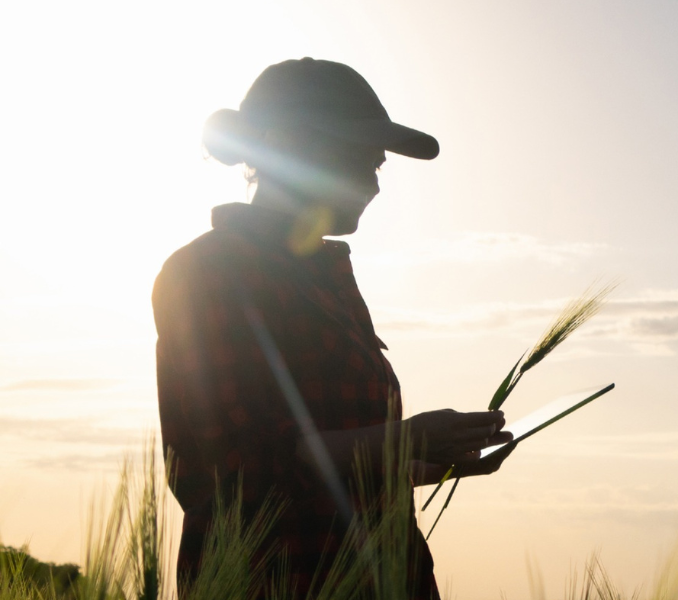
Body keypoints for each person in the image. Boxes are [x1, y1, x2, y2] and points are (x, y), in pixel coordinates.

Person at [153, 57, 515, 599]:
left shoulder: (327, 276)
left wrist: (430, 460)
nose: (374, 184)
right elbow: (250, 464)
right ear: (284, 148)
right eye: (358, 158)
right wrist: (406, 439)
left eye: (378, 165)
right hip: (278, 581)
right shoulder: (207, 273)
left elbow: (335, 464)